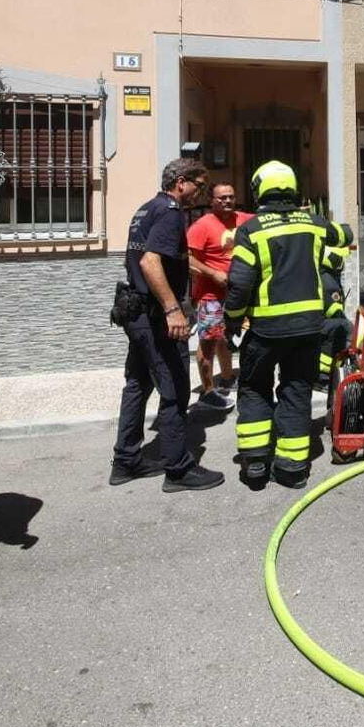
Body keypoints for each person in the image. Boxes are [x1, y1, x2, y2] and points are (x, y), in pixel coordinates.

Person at [223, 161, 353, 489]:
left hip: (265, 331)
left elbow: (239, 285)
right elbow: (346, 234)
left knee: (254, 388)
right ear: (293, 189)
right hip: (308, 329)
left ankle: (255, 463)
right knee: (297, 391)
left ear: (259, 190)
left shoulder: (250, 230)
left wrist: (232, 322)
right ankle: (292, 468)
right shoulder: (313, 224)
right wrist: (317, 223)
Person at [111, 157, 224, 492]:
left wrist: (206, 273)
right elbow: (150, 261)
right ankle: (178, 469)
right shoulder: (171, 213)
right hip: (155, 316)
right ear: (181, 182)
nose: (200, 193)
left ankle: (126, 460)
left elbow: (157, 257)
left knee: (137, 384)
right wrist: (173, 309)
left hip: (136, 312)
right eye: (199, 186)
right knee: (174, 388)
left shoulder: (146, 209)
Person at [186, 182, 250, 412]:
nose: (227, 201)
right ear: (212, 200)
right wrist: (212, 273)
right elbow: (186, 258)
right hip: (210, 296)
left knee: (227, 338)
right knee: (210, 341)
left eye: (230, 197)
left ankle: (227, 377)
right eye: (221, 198)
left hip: (238, 294)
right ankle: (208, 390)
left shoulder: (245, 219)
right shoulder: (201, 226)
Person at [316, 245, 353, 415]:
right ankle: (324, 377)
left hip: (313, 323)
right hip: (320, 325)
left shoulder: (323, 273)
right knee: (344, 328)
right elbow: (332, 309)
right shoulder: (328, 279)